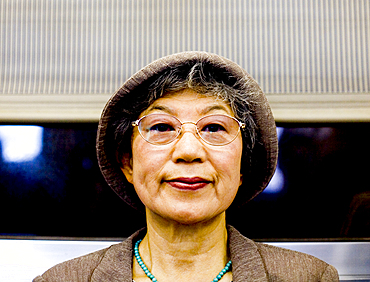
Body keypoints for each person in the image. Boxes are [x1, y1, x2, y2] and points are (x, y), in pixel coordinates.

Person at [33, 51, 339, 281]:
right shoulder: (62, 279)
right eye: (162, 127)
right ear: (127, 163)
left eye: (214, 127)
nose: (189, 151)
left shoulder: (310, 277)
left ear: (243, 165)